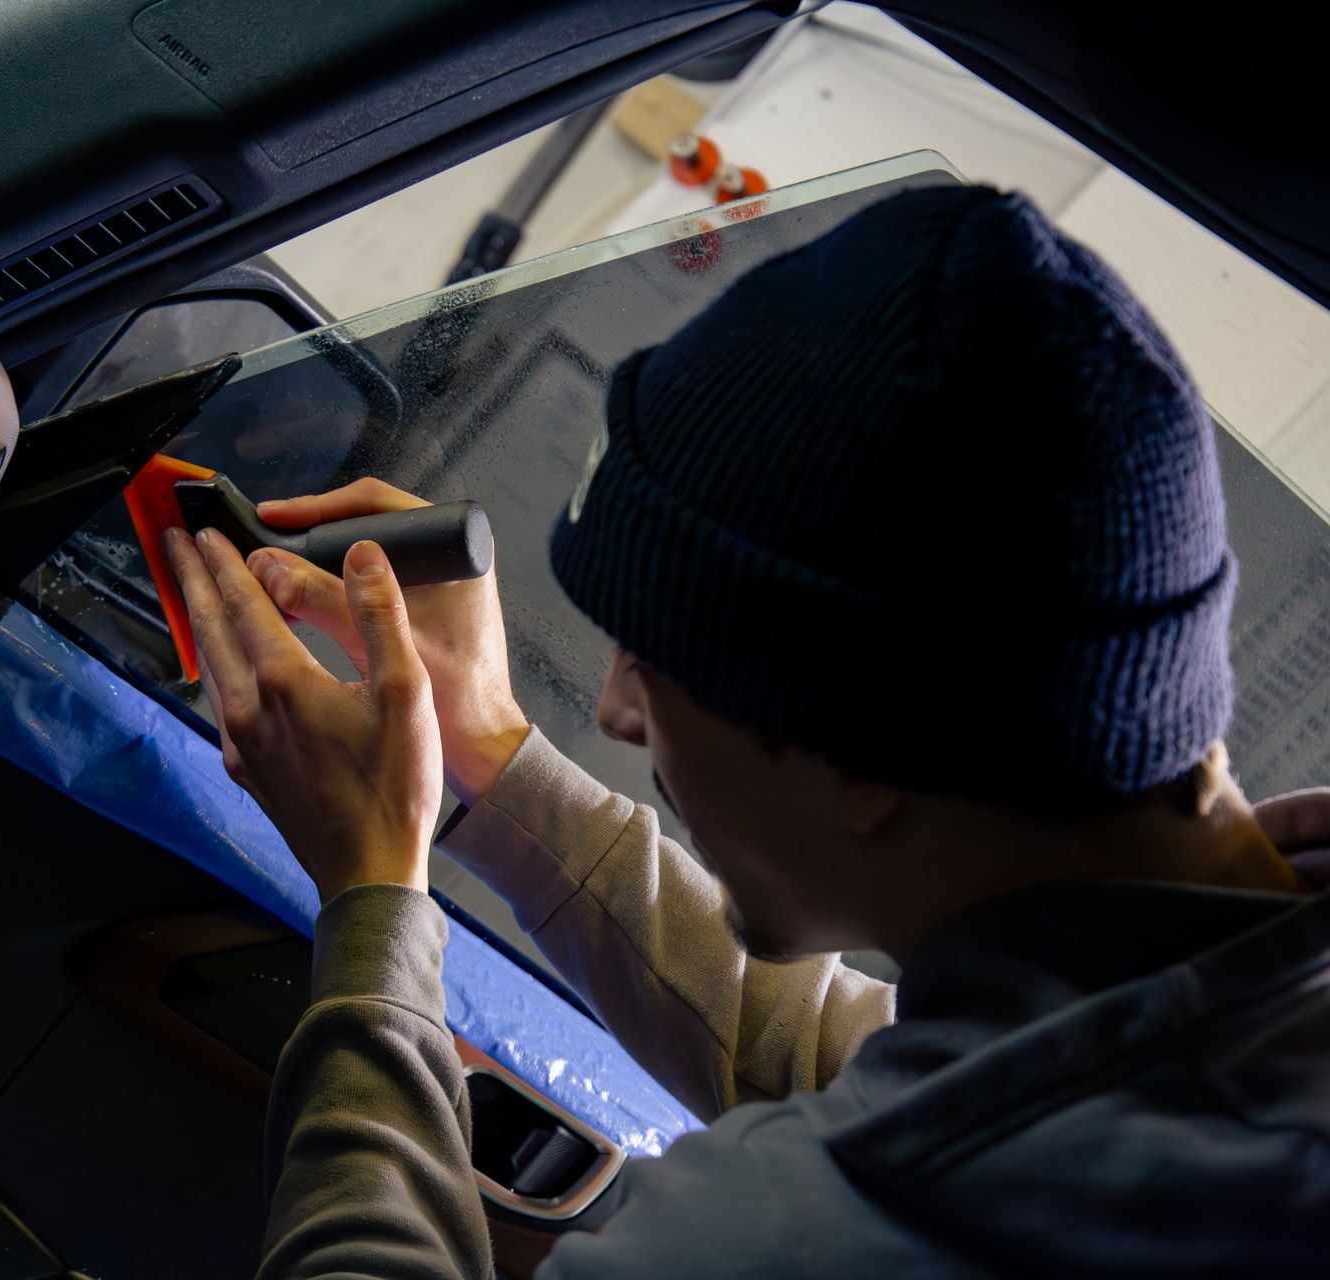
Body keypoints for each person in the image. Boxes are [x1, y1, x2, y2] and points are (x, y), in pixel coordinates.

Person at [161, 186, 1330, 1277]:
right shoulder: (1220, 1017)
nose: (617, 707)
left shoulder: (798, 1235)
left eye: (657, 661)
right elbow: (888, 1064)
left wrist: (373, 901)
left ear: (864, 756)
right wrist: (497, 764)